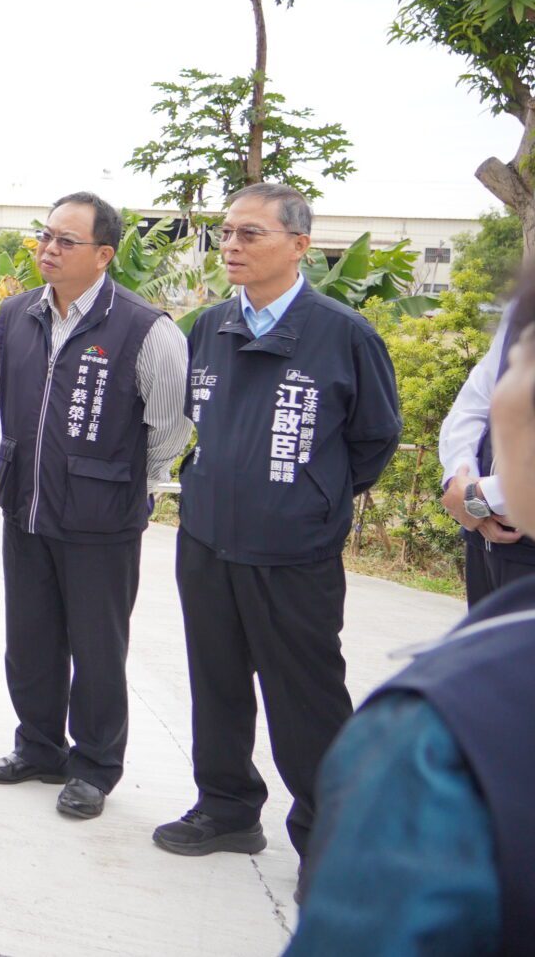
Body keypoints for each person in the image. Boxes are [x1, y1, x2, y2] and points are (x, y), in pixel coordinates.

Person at [286, 271, 535, 954]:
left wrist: (481, 496)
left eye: (520, 356)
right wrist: (471, 490)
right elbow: (466, 415)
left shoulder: (441, 734)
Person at [156, 182, 401, 872]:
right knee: (217, 682)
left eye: (250, 233)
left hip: (293, 552)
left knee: (307, 698)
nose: (231, 245)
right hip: (207, 541)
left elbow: (375, 439)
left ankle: (331, 840)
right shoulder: (208, 325)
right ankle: (226, 808)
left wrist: (310, 499)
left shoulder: (344, 335)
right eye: (227, 232)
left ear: (300, 245)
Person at [0, 194, 190, 820]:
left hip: (102, 517)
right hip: (26, 505)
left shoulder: (146, 329)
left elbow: (170, 425)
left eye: (66, 241)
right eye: (46, 236)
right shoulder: (15, 316)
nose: (49, 249)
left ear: (104, 254)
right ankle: (38, 748)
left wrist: (130, 483)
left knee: (97, 647)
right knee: (30, 639)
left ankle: (94, 766)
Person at [438, 317, 535, 606]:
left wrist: (481, 496)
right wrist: (460, 476)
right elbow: (477, 399)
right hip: (484, 538)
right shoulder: (520, 310)